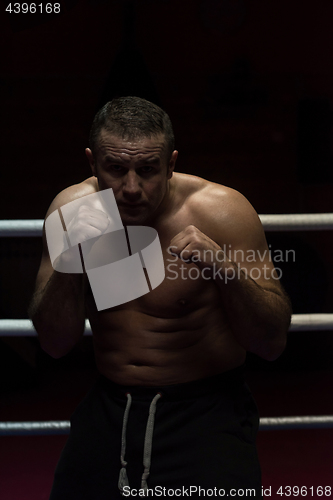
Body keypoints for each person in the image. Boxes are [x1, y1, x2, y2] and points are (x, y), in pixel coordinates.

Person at [29, 96, 291, 499]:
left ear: (170, 164)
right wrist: (72, 262)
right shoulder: (72, 210)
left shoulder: (221, 212)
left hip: (206, 410)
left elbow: (272, 342)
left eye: (147, 170)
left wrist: (225, 269)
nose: (131, 187)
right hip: (111, 404)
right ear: (91, 163)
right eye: (116, 169)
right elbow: (54, 344)